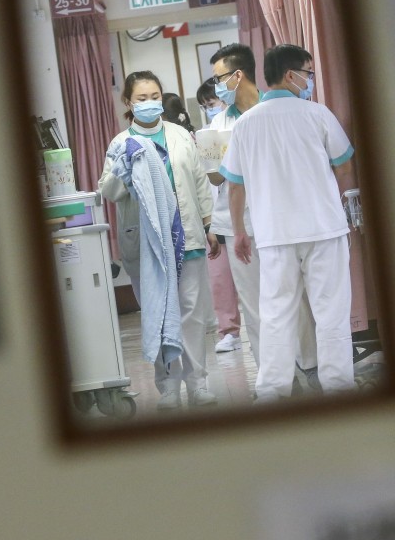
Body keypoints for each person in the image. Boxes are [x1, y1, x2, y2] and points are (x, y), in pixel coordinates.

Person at [219, 44, 356, 402]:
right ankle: (339, 387)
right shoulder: (317, 114)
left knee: (276, 315)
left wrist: (239, 232)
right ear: (291, 74)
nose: (310, 81)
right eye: (308, 74)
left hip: (273, 234)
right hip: (324, 228)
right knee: (331, 312)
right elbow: (343, 165)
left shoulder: (245, 125)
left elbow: (235, 185)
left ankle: (271, 392)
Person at [99, 71, 221, 410]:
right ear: (128, 102)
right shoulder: (121, 144)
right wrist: (122, 169)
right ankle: (168, 387)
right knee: (157, 313)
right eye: (141, 98)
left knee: (191, 314)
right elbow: (107, 191)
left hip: (188, 238)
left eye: (155, 96)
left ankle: (198, 384)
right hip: (147, 244)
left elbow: (198, 183)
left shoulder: (181, 135)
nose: (150, 103)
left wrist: (210, 225)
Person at [195, 80, 243, 353]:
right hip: (218, 216)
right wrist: (209, 222)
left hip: (243, 213)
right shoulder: (208, 134)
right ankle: (229, 331)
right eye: (204, 106)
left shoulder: (243, 122)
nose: (208, 109)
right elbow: (208, 181)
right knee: (220, 279)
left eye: (211, 104)